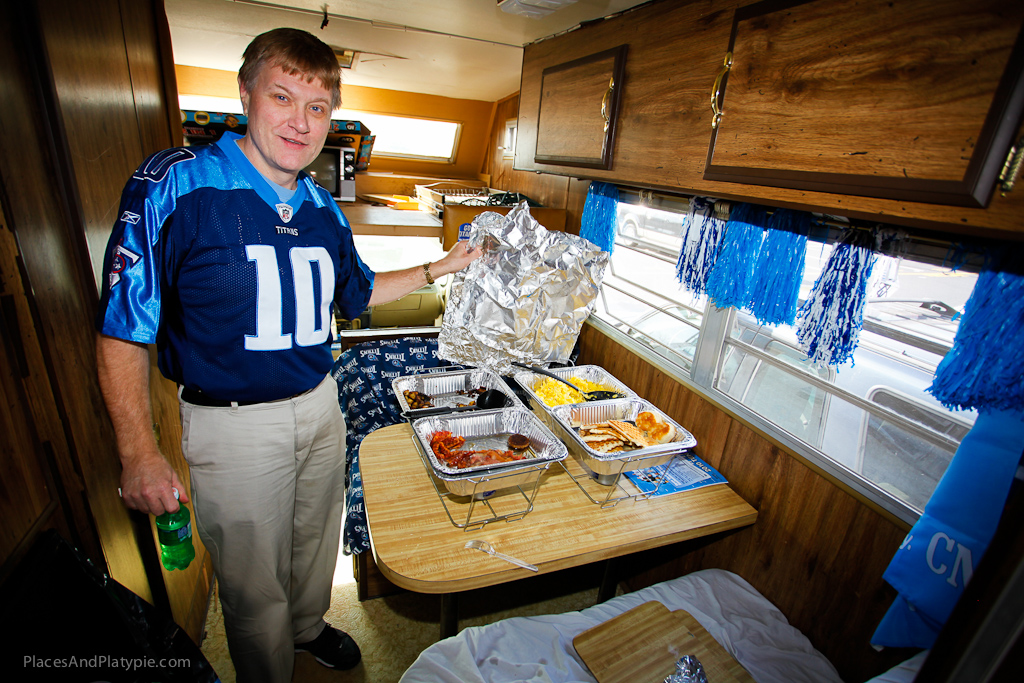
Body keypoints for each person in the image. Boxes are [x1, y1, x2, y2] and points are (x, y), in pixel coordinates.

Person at [95, 27, 480, 683]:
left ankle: (307, 626)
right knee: (252, 582)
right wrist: (137, 451)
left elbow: (356, 294)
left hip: (320, 404)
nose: (301, 122)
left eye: (318, 107)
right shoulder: (175, 186)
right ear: (246, 95)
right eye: (283, 96)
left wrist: (443, 265)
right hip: (234, 424)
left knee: (314, 543)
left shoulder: (325, 208)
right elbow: (122, 327)